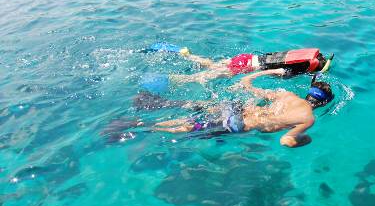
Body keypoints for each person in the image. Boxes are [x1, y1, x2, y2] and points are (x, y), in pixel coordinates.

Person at [121, 69, 334, 147]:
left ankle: (150, 105)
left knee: (200, 110)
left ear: (309, 93)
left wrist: (269, 72)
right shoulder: (308, 118)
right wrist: (305, 139)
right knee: (188, 127)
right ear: (322, 102)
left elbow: (246, 84)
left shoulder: (286, 95)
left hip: (235, 107)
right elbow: (285, 141)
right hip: (238, 123)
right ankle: (143, 126)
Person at [170, 48, 332, 84]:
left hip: (245, 58)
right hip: (245, 67)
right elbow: (275, 71)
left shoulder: (295, 57)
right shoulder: (292, 69)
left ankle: (188, 55)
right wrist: (249, 78)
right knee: (202, 77)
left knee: (213, 65)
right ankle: (176, 79)